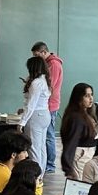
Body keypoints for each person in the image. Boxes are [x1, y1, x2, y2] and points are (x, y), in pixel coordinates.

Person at [31, 42, 63, 175]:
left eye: (37, 56)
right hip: (46, 104)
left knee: (49, 136)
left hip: (50, 105)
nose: (36, 59)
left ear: (44, 52)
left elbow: (51, 85)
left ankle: (50, 164)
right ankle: (46, 164)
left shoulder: (54, 64)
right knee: (45, 137)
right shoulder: (49, 64)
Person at [59, 82, 98, 179]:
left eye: (91, 95)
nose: (91, 98)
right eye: (86, 95)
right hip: (80, 157)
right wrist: (68, 168)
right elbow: (70, 143)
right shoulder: (76, 117)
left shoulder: (89, 114)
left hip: (90, 155)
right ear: (79, 98)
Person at [18, 56, 51, 172]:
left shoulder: (36, 83)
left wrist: (22, 122)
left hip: (35, 117)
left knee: (34, 149)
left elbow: (31, 105)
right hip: (45, 115)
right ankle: (40, 176)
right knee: (42, 148)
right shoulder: (44, 80)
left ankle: (36, 177)